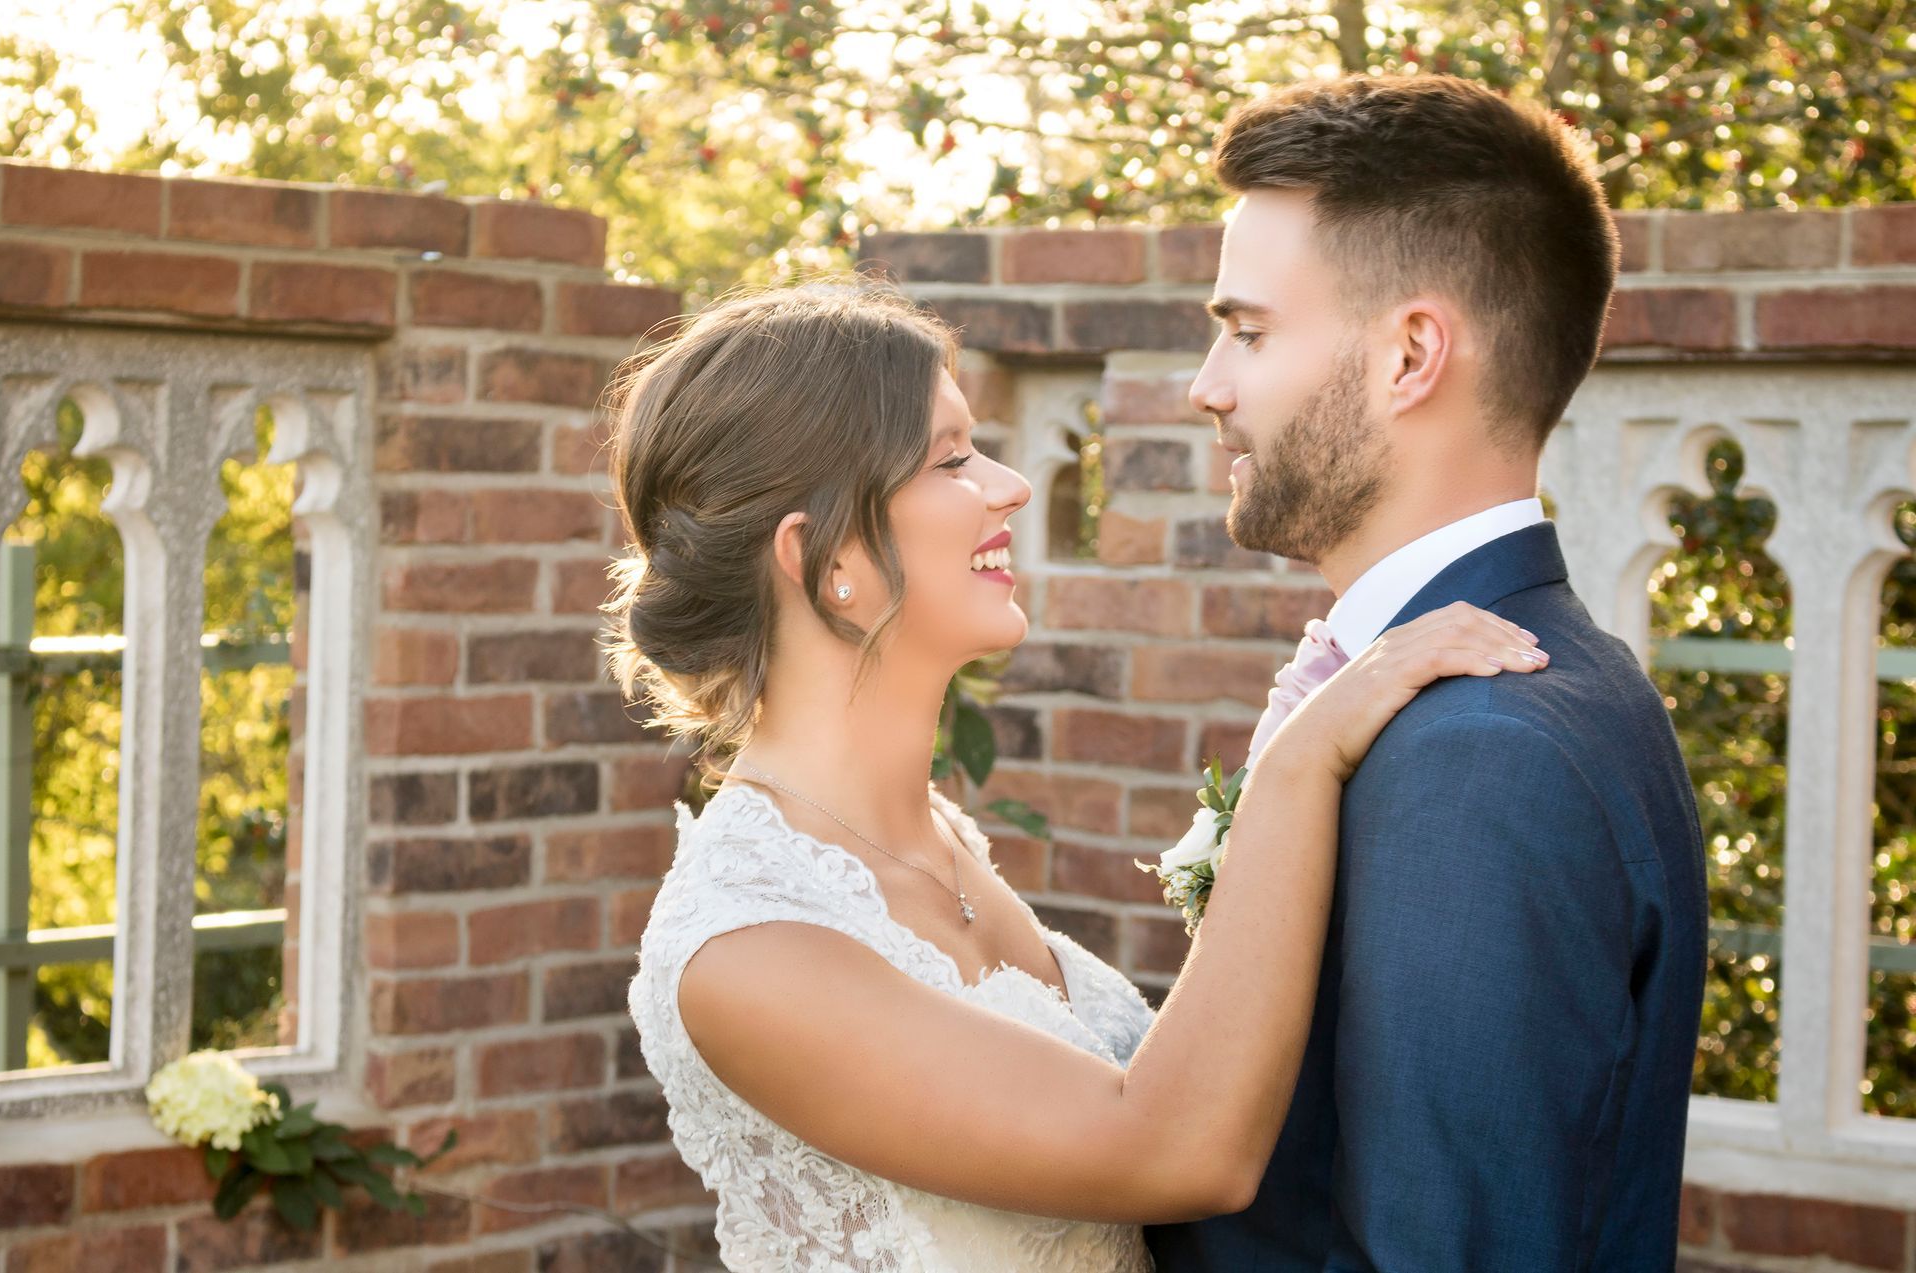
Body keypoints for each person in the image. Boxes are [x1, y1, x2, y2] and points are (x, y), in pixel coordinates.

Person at [613, 282, 1546, 1271]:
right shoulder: (747, 948)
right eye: (952, 459)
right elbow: (1178, 1149)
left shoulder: (938, 842)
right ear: (827, 554)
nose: (1012, 486)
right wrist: (1299, 762)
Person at [1144, 75, 1709, 1272]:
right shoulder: (1517, 693)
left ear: (1411, 355)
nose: (1209, 385)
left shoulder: (1484, 755)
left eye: (1246, 330)